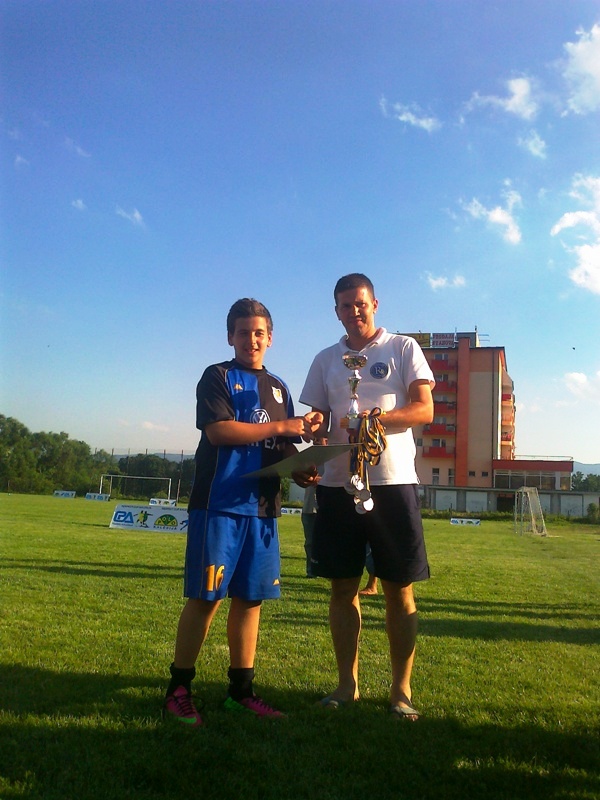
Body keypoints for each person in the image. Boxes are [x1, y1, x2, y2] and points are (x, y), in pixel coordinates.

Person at [163, 298, 322, 727]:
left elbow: (282, 446)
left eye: (259, 333)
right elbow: (219, 432)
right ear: (230, 336)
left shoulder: (279, 387)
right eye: (243, 332)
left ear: (270, 338)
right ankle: (178, 689)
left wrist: (300, 469)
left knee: (251, 600)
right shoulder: (216, 376)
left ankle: (241, 692)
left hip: (263, 508)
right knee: (206, 598)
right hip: (220, 504)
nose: (252, 339)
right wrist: (283, 426)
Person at [297, 273, 434, 720]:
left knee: (399, 590)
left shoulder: (403, 348)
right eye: (345, 305)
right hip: (338, 485)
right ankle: (346, 684)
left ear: (375, 303)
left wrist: (374, 421)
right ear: (336, 311)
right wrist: (313, 433)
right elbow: (318, 419)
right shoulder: (325, 359)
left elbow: (424, 409)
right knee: (342, 588)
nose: (354, 311)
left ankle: (401, 691)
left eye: (360, 303)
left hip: (392, 482)